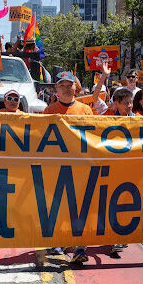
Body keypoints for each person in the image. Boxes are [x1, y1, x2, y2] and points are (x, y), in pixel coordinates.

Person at [43, 71, 92, 263]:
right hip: (57, 167)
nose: (66, 88)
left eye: (69, 85)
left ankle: (80, 247)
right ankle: (57, 241)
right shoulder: (49, 111)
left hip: (80, 166)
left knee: (80, 207)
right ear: (56, 89)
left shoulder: (85, 110)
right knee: (58, 206)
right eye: (61, 85)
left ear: (75, 88)